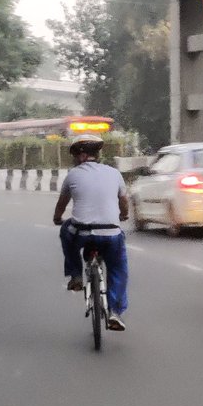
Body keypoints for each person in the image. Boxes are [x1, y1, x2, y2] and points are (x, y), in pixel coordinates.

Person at [53, 135, 130, 331]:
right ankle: (115, 312)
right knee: (118, 269)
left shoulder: (73, 175)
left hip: (82, 232)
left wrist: (57, 218)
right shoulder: (114, 173)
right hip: (111, 233)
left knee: (65, 230)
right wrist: (123, 215)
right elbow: (124, 202)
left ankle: (76, 276)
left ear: (82, 156)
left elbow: (62, 204)